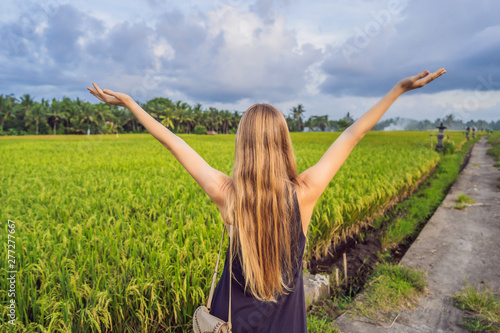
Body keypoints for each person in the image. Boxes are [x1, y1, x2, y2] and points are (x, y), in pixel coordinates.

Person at [88, 67, 446, 332]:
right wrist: (397, 89)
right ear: (283, 143)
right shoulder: (305, 192)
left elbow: (174, 142)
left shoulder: (227, 195)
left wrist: (130, 103)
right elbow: (353, 134)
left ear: (242, 145)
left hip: (228, 324)